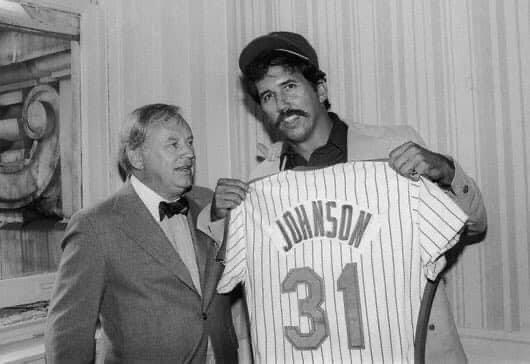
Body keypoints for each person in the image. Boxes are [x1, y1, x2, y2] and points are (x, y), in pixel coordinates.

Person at [199, 31, 487, 363]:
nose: (281, 105)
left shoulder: (394, 148)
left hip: (412, 351)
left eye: (290, 86)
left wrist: (446, 171)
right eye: (267, 96)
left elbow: (474, 225)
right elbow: (227, 278)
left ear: (320, 89)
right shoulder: (261, 184)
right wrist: (222, 217)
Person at [46, 104, 239, 364]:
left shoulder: (209, 203)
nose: (189, 153)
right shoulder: (94, 226)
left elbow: (224, 278)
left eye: (190, 142)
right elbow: (69, 332)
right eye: (173, 144)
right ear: (136, 157)